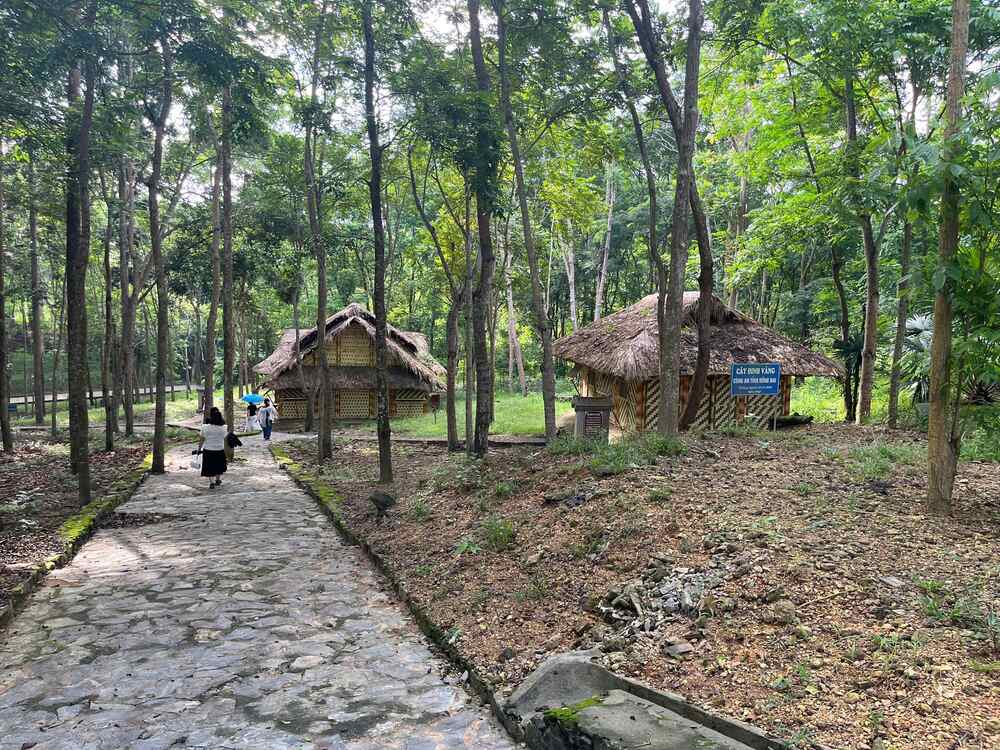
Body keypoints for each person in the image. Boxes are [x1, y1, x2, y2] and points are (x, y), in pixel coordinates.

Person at [198, 407, 228, 489]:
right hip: (219, 449)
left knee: (209, 466)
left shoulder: (205, 427)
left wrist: (199, 448)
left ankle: (211, 482)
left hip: (208, 449)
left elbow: (201, 439)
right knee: (218, 466)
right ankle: (218, 480)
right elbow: (225, 438)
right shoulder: (224, 427)